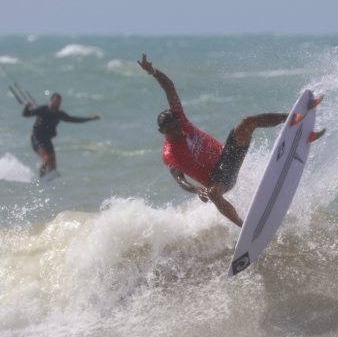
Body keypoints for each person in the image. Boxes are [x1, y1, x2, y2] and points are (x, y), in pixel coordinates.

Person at [137, 53, 288, 227]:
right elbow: (179, 179)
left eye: (175, 126)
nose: (175, 131)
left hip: (228, 158)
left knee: (246, 123)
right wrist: (195, 189)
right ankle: (245, 227)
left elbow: (169, 88)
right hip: (219, 180)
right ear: (161, 131)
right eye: (169, 130)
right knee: (213, 194)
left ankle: (291, 118)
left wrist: (153, 72)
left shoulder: (182, 121)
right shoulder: (169, 153)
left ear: (179, 121)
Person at [22, 93, 100, 179]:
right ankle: (40, 180)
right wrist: (27, 106)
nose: (56, 105)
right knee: (46, 159)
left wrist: (90, 119)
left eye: (58, 104)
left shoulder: (59, 114)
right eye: (54, 103)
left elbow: (74, 119)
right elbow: (26, 114)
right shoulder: (42, 109)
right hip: (37, 138)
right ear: (50, 101)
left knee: (53, 168)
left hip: (47, 140)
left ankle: (48, 183)